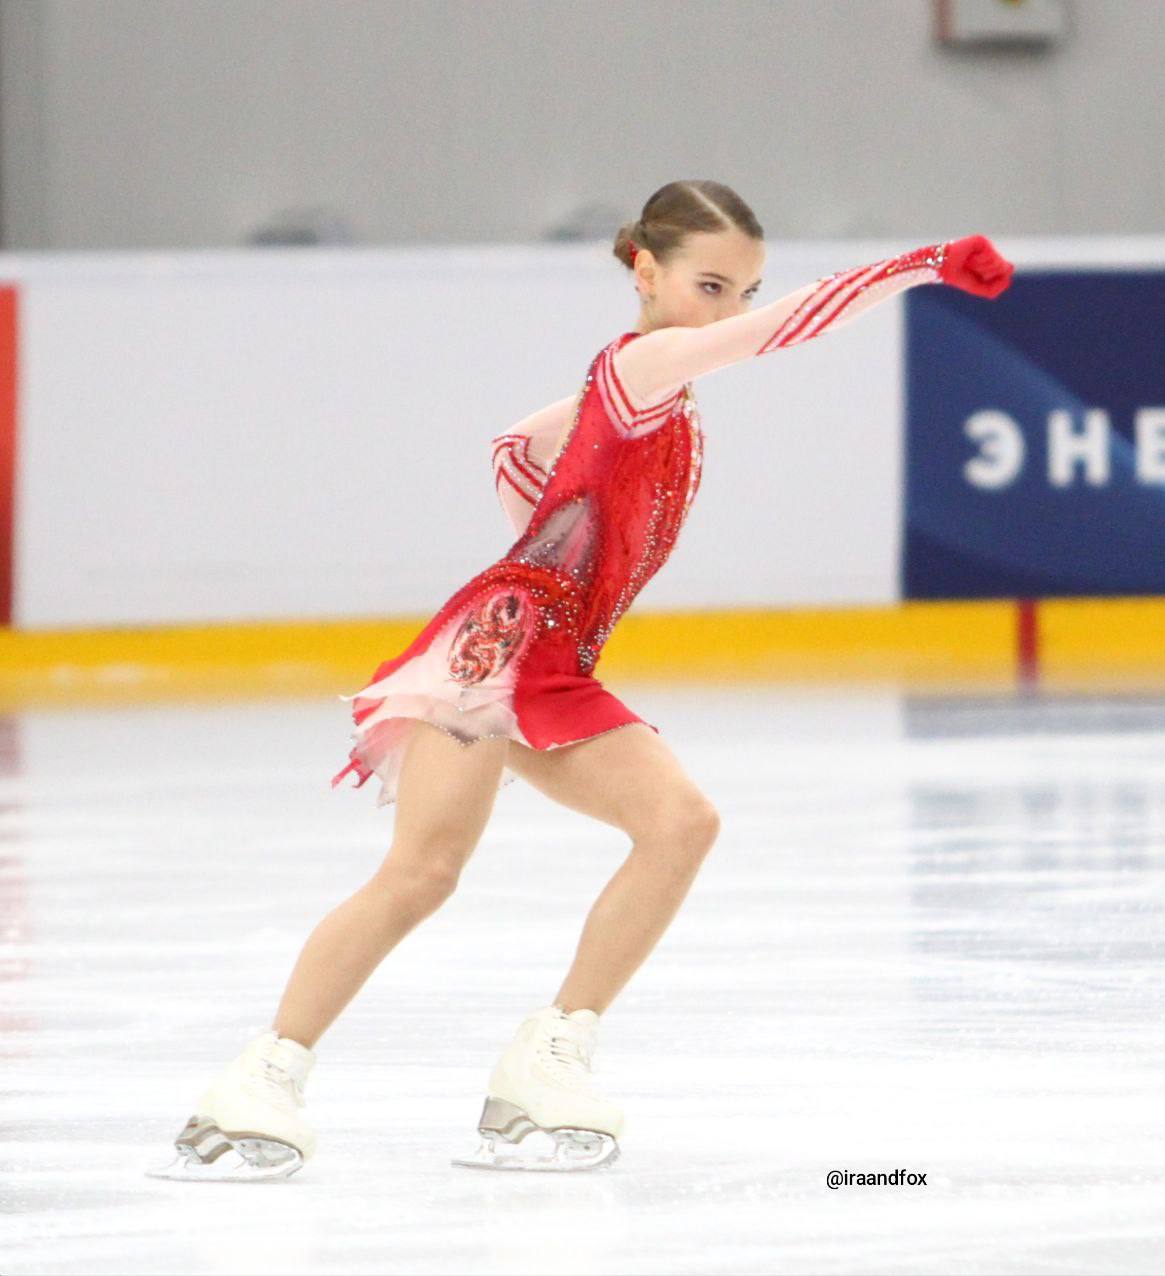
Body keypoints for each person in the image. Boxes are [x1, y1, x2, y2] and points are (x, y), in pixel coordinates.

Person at [146, 180, 1014, 1181]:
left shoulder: (642, 392)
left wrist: (550, 543)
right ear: (645, 271)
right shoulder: (644, 365)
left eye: (741, 291)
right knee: (424, 872)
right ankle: (261, 1080)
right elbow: (780, 331)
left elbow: (515, 446)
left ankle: (547, 1061)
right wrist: (922, 264)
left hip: (549, 656)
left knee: (677, 824)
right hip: (498, 652)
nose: (726, 311)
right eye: (710, 286)